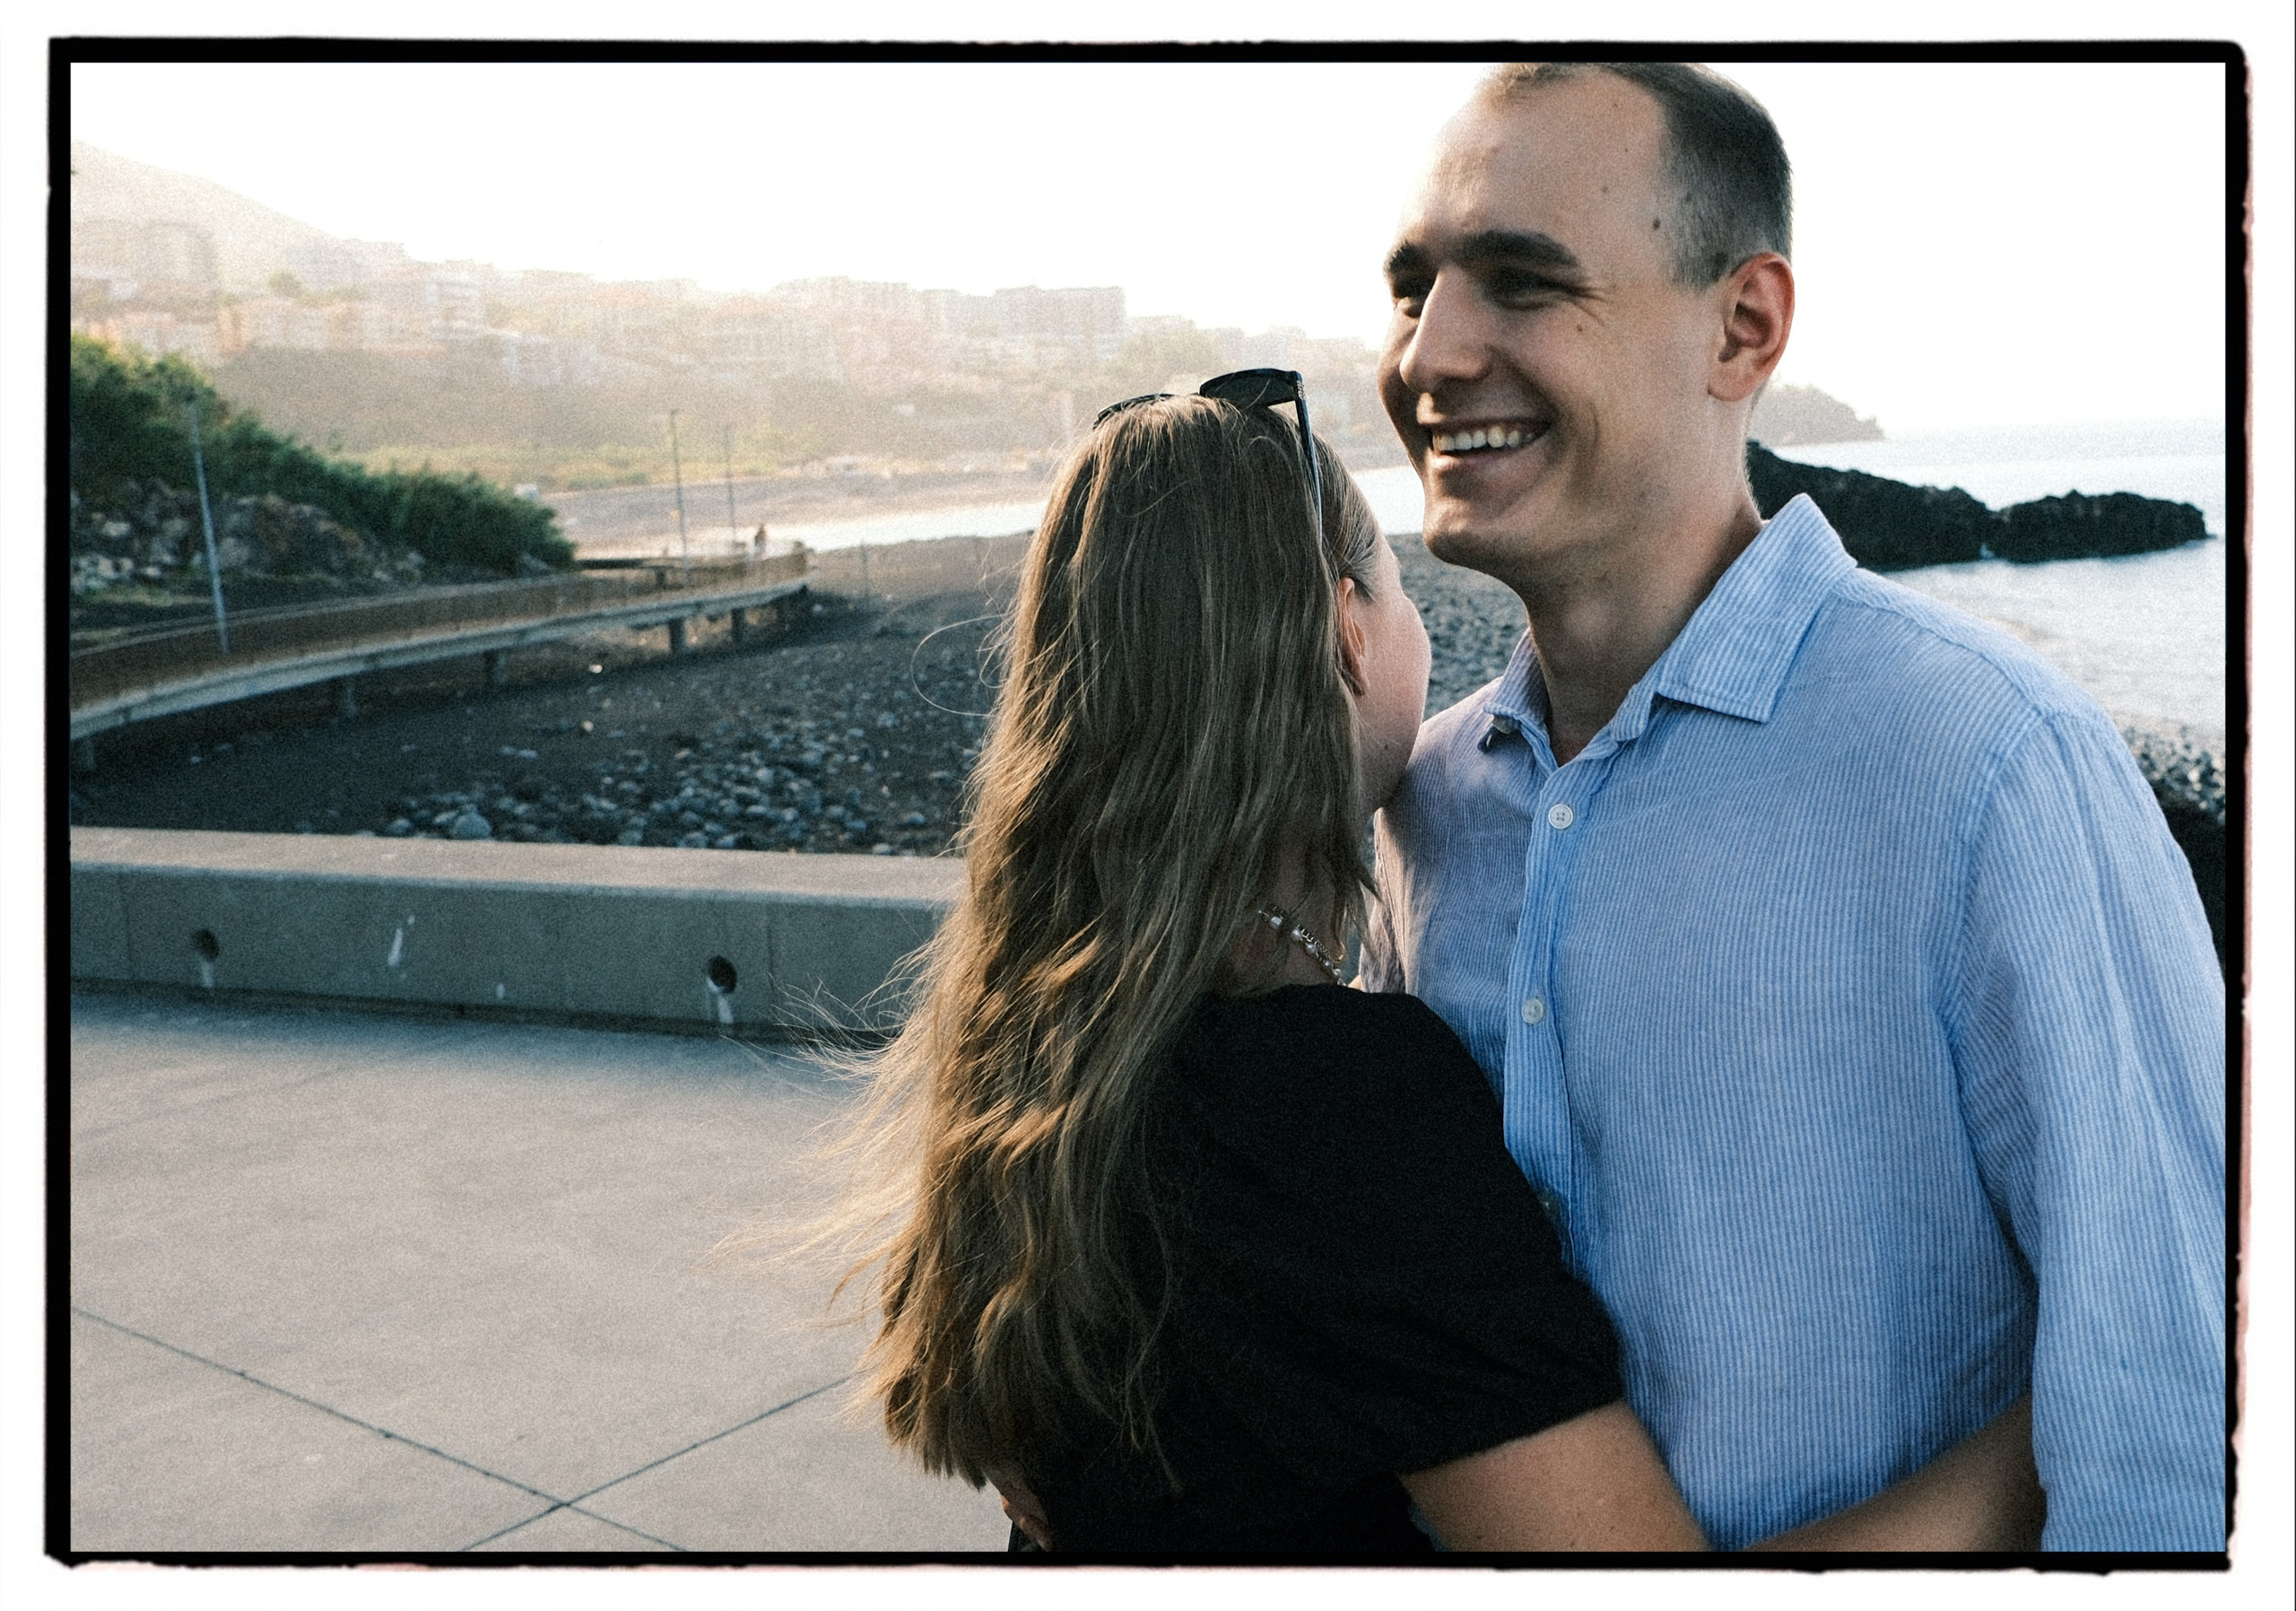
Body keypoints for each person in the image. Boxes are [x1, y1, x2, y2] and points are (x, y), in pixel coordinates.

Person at [830, 375, 2044, 1555]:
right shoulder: (1335, 1107)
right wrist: (2056, 1426)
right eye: (1401, 592)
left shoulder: (1044, 1031)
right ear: (1350, 632)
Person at [1361, 61, 2226, 1552]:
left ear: (1744, 326)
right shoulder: (1419, 808)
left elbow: (2154, 1418)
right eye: (1411, 287)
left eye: (1520, 281)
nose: (1431, 355)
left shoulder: (1992, 769)